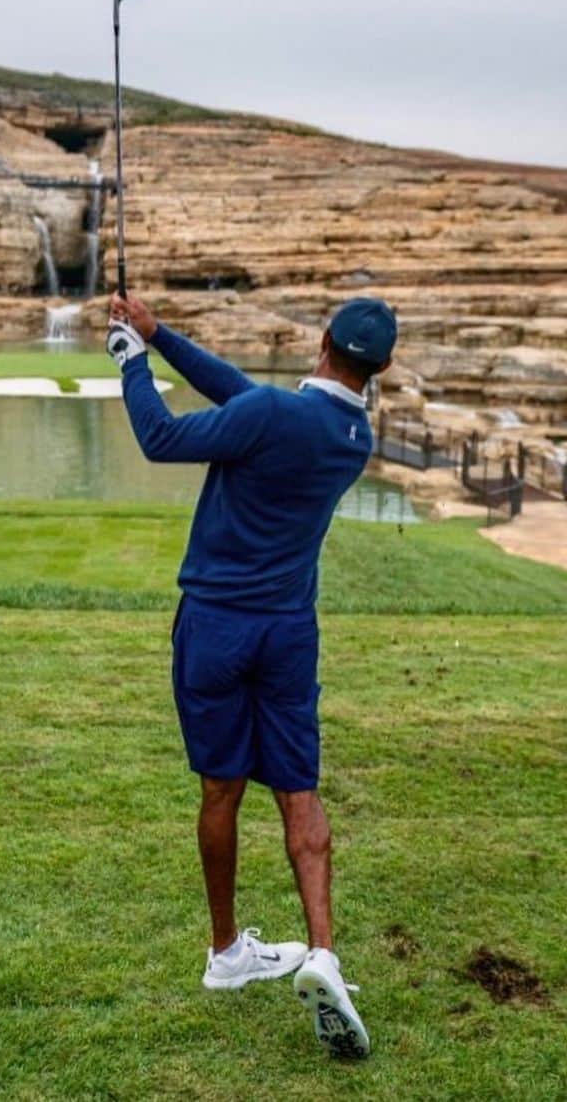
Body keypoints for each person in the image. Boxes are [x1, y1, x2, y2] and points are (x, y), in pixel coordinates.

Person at [106, 291, 397, 1062]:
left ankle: (228, 951)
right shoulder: (350, 435)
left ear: (323, 338)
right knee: (298, 788)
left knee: (221, 790)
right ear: (380, 366)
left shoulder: (275, 415)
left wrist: (129, 359)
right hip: (288, 634)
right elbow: (245, 394)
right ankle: (324, 953)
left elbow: (161, 437)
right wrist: (159, 332)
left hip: (214, 629)